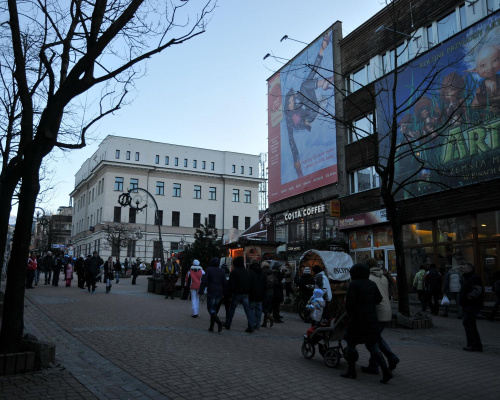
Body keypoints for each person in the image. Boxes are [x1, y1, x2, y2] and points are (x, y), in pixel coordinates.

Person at [340, 263, 393, 384]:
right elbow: (379, 299)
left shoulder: (353, 285)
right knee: (373, 346)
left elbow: (350, 304)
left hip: (357, 320)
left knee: (351, 344)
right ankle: (386, 371)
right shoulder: (372, 284)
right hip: (371, 319)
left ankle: (351, 371)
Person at [361, 258, 400, 375]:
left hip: (376, 313)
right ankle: (377, 364)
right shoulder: (383, 277)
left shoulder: (369, 278)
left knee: (371, 341)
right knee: (377, 338)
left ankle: (384, 361)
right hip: (386, 310)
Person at [224, 256, 255, 332]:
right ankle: (251, 325)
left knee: (232, 309)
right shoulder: (247, 272)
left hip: (236, 293)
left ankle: (228, 324)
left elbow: (231, 284)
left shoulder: (234, 272)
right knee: (248, 310)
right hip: (246, 293)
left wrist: (229, 294)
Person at [459, 263, 484, 352]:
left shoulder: (474, 277)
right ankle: (475, 344)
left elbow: (477, 290)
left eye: (464, 267)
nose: (462, 269)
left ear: (469, 269)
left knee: (468, 323)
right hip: (467, 304)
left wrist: (469, 297)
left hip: (472, 304)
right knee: (470, 324)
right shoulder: (466, 278)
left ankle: (473, 344)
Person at [199, 257, 226, 332]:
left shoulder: (209, 270)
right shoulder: (222, 271)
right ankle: (211, 327)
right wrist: (225, 292)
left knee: (210, 309)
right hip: (219, 292)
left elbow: (204, 281)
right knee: (215, 310)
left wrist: (201, 290)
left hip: (211, 291)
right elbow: (224, 283)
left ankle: (218, 323)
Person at [249, 260, 266, 330]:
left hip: (252, 294)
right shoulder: (262, 272)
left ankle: (251, 324)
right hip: (260, 294)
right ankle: (257, 324)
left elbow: (248, 283)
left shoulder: (250, 272)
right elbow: (265, 284)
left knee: (251, 310)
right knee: (259, 310)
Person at [260, 261, 275, 328]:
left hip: (265, 292)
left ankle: (270, 318)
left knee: (263, 308)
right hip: (271, 292)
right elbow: (276, 282)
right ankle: (265, 323)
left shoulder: (263, 273)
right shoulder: (272, 273)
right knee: (268, 308)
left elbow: (262, 283)